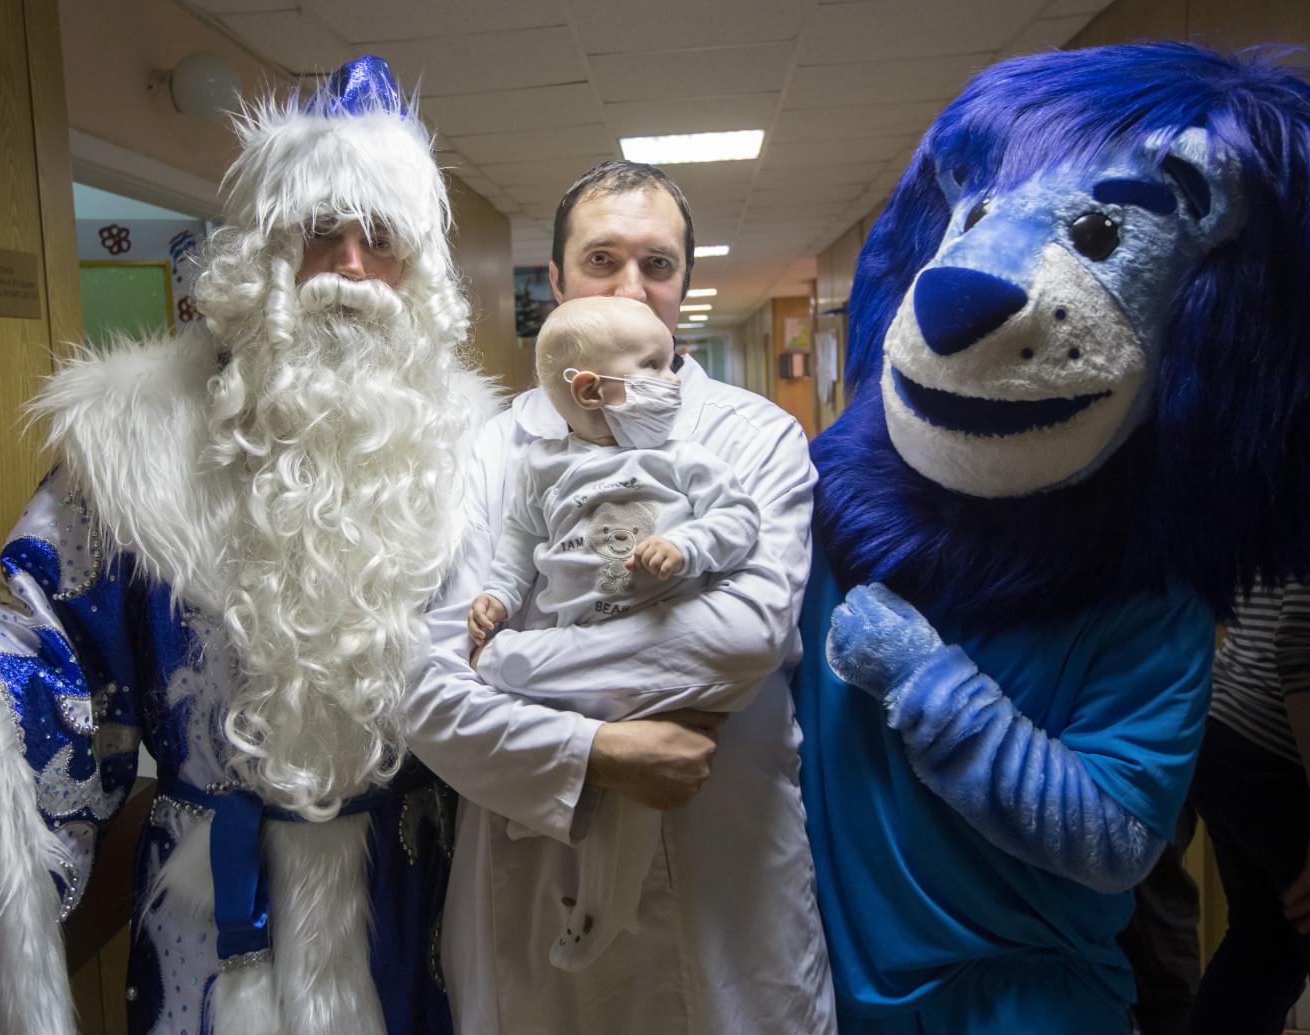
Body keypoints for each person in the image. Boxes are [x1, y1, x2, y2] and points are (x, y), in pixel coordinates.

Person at [0, 55, 496, 1035]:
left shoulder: (481, 458)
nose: (350, 267)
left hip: (415, 903)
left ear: (418, 271)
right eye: (317, 234)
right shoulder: (130, 453)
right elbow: (46, 657)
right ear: (257, 259)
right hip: (202, 928)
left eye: (380, 238)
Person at [796, 43, 1310, 1035]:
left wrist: (925, 684)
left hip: (1024, 1005)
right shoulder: (824, 512)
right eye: (976, 216)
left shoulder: (1145, 604)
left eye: (1096, 229)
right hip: (813, 986)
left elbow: (1114, 834)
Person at [409, 160, 836, 1034]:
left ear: (687, 281)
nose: (633, 289)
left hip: (729, 877)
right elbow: (426, 691)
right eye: (602, 260)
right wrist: (594, 748)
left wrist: (517, 664)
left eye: (659, 264)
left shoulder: (753, 436)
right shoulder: (489, 454)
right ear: (557, 281)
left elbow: (736, 641)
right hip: (533, 897)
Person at [467, 294, 760, 970]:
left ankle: (604, 910)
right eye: (655, 366)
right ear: (592, 388)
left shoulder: (680, 458)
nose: (674, 379)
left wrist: (687, 545)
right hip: (570, 655)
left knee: (625, 810)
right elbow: (517, 545)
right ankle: (552, 819)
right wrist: (496, 596)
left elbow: (740, 518)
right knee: (552, 742)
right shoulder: (539, 465)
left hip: (648, 654)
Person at [1188, 581, 1310, 1035]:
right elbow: (1299, 647)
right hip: (1275, 752)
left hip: (1229, 735)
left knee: (1265, 946)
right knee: (1266, 946)